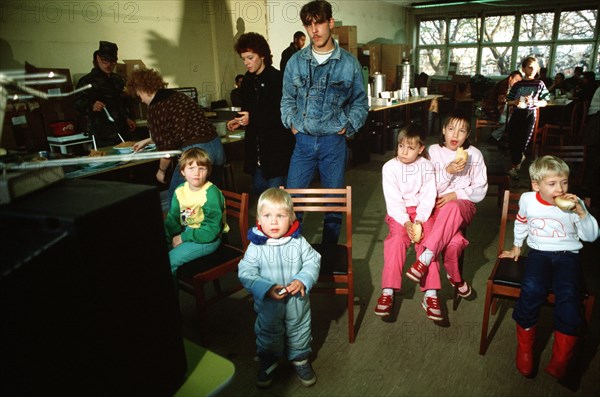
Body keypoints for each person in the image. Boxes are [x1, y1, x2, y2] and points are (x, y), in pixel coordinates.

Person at [499, 156, 599, 379]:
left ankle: (561, 358)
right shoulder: (527, 199)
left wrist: (582, 213)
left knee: (569, 295)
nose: (560, 188)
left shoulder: (575, 204)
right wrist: (517, 246)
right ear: (537, 185)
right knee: (532, 288)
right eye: (552, 184)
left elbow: (591, 236)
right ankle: (525, 348)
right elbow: (522, 221)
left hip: (568, 255)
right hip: (539, 253)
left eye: (564, 182)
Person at [281, 0, 368, 244]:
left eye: (319, 23)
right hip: (303, 142)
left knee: (333, 204)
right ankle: (291, 251)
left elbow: (360, 102)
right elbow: (287, 99)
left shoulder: (349, 64)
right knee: (292, 202)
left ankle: (329, 255)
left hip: (333, 142)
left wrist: (347, 126)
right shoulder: (295, 62)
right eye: (309, 25)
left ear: (330, 23)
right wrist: (292, 123)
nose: (314, 30)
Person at [405, 112, 488, 321]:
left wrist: (456, 195)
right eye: (451, 128)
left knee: (452, 207)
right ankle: (454, 281)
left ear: (468, 134)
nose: (455, 135)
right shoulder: (433, 151)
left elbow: (480, 189)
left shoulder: (475, 155)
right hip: (435, 205)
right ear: (443, 129)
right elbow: (428, 186)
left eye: (462, 131)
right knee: (455, 243)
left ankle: (424, 259)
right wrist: (448, 171)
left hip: (463, 207)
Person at [238, 188, 321, 388]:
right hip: (268, 302)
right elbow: (246, 272)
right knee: (268, 329)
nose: (273, 222)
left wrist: (302, 279)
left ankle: (300, 358)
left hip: (296, 300)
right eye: (267, 216)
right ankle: (269, 358)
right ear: (258, 218)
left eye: (280, 216)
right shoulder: (256, 246)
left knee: (299, 326)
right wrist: (265, 288)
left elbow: (313, 261)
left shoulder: (298, 242)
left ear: (291, 218)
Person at [126, 68, 225, 206]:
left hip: (197, 151)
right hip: (216, 146)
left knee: (176, 198)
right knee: (208, 197)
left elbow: (166, 151)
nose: (140, 100)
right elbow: (176, 130)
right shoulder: (176, 95)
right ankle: (209, 226)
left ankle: (182, 227)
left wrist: (161, 171)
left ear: (143, 88)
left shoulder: (155, 108)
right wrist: (148, 140)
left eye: (138, 95)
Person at [373, 124, 437, 317]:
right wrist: (406, 223)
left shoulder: (427, 166)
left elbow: (428, 196)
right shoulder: (390, 167)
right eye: (401, 146)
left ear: (420, 149)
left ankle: (431, 293)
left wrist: (419, 220)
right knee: (395, 241)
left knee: (428, 242)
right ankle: (388, 291)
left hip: (422, 212)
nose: (404, 151)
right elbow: (393, 201)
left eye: (410, 148)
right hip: (399, 213)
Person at [226, 33, 295, 197]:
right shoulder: (248, 81)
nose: (247, 63)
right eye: (243, 59)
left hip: (276, 153)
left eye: (250, 58)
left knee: (276, 202)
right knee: (261, 199)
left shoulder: (277, 79)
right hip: (257, 156)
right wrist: (240, 121)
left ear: (262, 55)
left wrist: (253, 118)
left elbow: (282, 117)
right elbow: (248, 111)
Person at [164, 148, 227, 275]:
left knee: (169, 262)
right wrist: (166, 237)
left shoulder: (211, 194)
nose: (196, 173)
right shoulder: (180, 191)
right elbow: (173, 219)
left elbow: (211, 230)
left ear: (208, 171)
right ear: (182, 171)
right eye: (191, 168)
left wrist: (183, 237)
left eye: (201, 168)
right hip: (188, 232)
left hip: (208, 238)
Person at [75, 41, 136, 147]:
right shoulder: (87, 81)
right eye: (105, 61)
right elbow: (77, 103)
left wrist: (127, 118)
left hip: (122, 130)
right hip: (101, 132)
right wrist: (91, 106)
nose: (108, 65)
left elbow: (121, 103)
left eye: (112, 62)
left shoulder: (117, 79)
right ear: (98, 58)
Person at [505, 56, 549, 179]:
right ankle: (517, 160)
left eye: (536, 67)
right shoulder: (518, 85)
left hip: (530, 114)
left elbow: (545, 101)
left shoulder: (539, 83)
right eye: (530, 67)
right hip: (517, 113)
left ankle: (514, 165)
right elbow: (508, 100)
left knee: (523, 140)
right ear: (523, 69)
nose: (533, 69)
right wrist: (515, 102)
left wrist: (535, 103)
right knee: (513, 139)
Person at [483, 70, 522, 144]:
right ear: (510, 78)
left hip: (501, 108)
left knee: (516, 118)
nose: (517, 83)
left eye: (519, 82)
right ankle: (495, 136)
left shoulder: (512, 86)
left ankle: (503, 138)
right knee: (513, 119)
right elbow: (501, 100)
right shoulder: (503, 85)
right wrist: (514, 100)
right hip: (493, 108)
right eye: (516, 80)